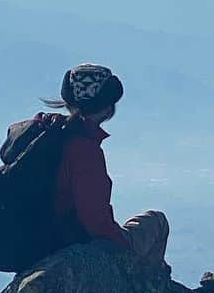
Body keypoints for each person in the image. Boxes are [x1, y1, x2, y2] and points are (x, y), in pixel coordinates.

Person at [45, 63, 169, 265]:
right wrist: (123, 245)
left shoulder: (48, 133)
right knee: (157, 222)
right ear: (107, 107)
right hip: (71, 239)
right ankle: (150, 288)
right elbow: (96, 223)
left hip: (42, 236)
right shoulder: (84, 150)